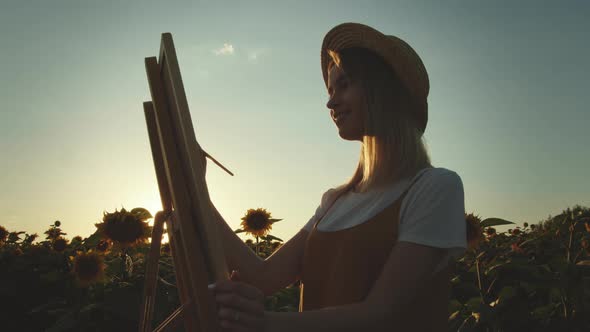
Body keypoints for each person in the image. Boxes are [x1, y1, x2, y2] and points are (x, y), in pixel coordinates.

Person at [208, 22, 467, 332]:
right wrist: (197, 192)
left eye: (344, 85)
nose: (330, 102)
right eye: (330, 90)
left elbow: (380, 314)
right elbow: (262, 277)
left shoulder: (433, 188)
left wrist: (265, 324)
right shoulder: (333, 202)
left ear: (382, 89)